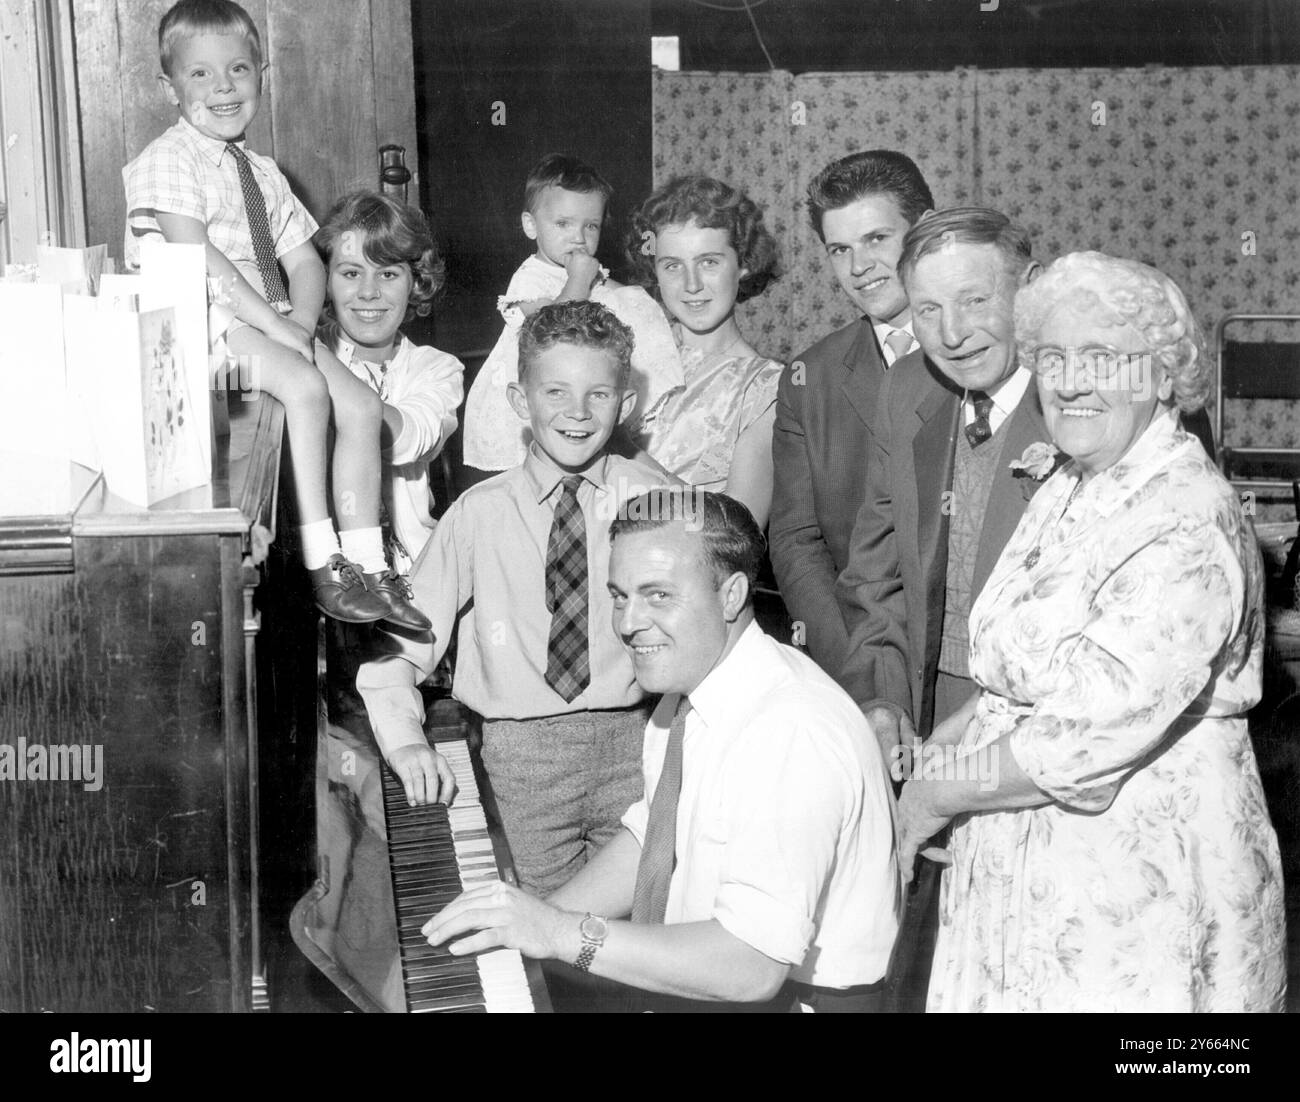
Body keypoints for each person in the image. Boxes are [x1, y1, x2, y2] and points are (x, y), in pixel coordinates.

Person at [898, 251, 1287, 1012]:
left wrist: (933, 798)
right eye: (1053, 357)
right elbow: (1032, 664)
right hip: (1034, 875)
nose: (1071, 381)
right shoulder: (1076, 481)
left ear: (1161, 374)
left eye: (1103, 358)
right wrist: (959, 732)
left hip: (1138, 885)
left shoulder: (1184, 513)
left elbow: (1086, 728)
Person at [422, 490, 900, 1013]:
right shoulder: (688, 695)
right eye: (620, 596)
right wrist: (524, 923)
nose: (627, 624)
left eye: (658, 596)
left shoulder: (791, 731)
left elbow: (752, 965)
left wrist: (562, 935)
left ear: (731, 595)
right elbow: (655, 837)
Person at [123, 0, 421, 628]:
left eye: (238, 69)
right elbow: (200, 259)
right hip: (202, 324)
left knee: (363, 406)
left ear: (263, 72)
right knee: (307, 388)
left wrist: (301, 323)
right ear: (168, 87)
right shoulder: (169, 159)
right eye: (200, 74)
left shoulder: (263, 172)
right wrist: (277, 327)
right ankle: (323, 561)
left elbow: (307, 263)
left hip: (268, 321)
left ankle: (369, 561)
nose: (223, 86)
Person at [357, 302, 669, 895]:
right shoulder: (478, 514)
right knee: (544, 943)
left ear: (625, 406)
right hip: (520, 760)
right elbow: (396, 652)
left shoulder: (654, 501)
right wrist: (404, 741)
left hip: (642, 746)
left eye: (598, 395)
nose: (576, 413)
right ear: (520, 402)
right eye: (555, 392)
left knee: (633, 927)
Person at [835, 207, 1049, 1010]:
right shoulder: (905, 391)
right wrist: (884, 697)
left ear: (1026, 294)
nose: (951, 333)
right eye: (927, 310)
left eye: (974, 301)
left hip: (1035, 733)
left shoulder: (1087, 400)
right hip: (929, 712)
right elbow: (878, 571)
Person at [769, 151, 933, 671]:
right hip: (860, 661)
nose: (859, 268)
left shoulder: (987, 353)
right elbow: (798, 542)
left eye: (877, 239)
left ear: (925, 229)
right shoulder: (807, 379)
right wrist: (857, 670)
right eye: (839, 249)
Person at [461, 154, 682, 475]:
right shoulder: (531, 277)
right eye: (563, 224)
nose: (578, 237)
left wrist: (651, 314)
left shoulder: (585, 268)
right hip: (538, 395)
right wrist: (579, 278)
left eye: (590, 225)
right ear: (530, 225)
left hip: (585, 383)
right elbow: (552, 327)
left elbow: (616, 294)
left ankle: (655, 478)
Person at [314, 191, 464, 575]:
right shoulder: (305, 355)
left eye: (388, 273)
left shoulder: (437, 368)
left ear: (415, 282)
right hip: (319, 573)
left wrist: (304, 347)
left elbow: (407, 440)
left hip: (413, 571)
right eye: (350, 273)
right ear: (323, 282)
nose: (368, 292)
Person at [625, 176, 782, 527]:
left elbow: (738, 531)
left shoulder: (767, 387)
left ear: (743, 264)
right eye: (672, 265)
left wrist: (624, 449)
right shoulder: (628, 355)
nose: (691, 284)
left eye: (709, 262)